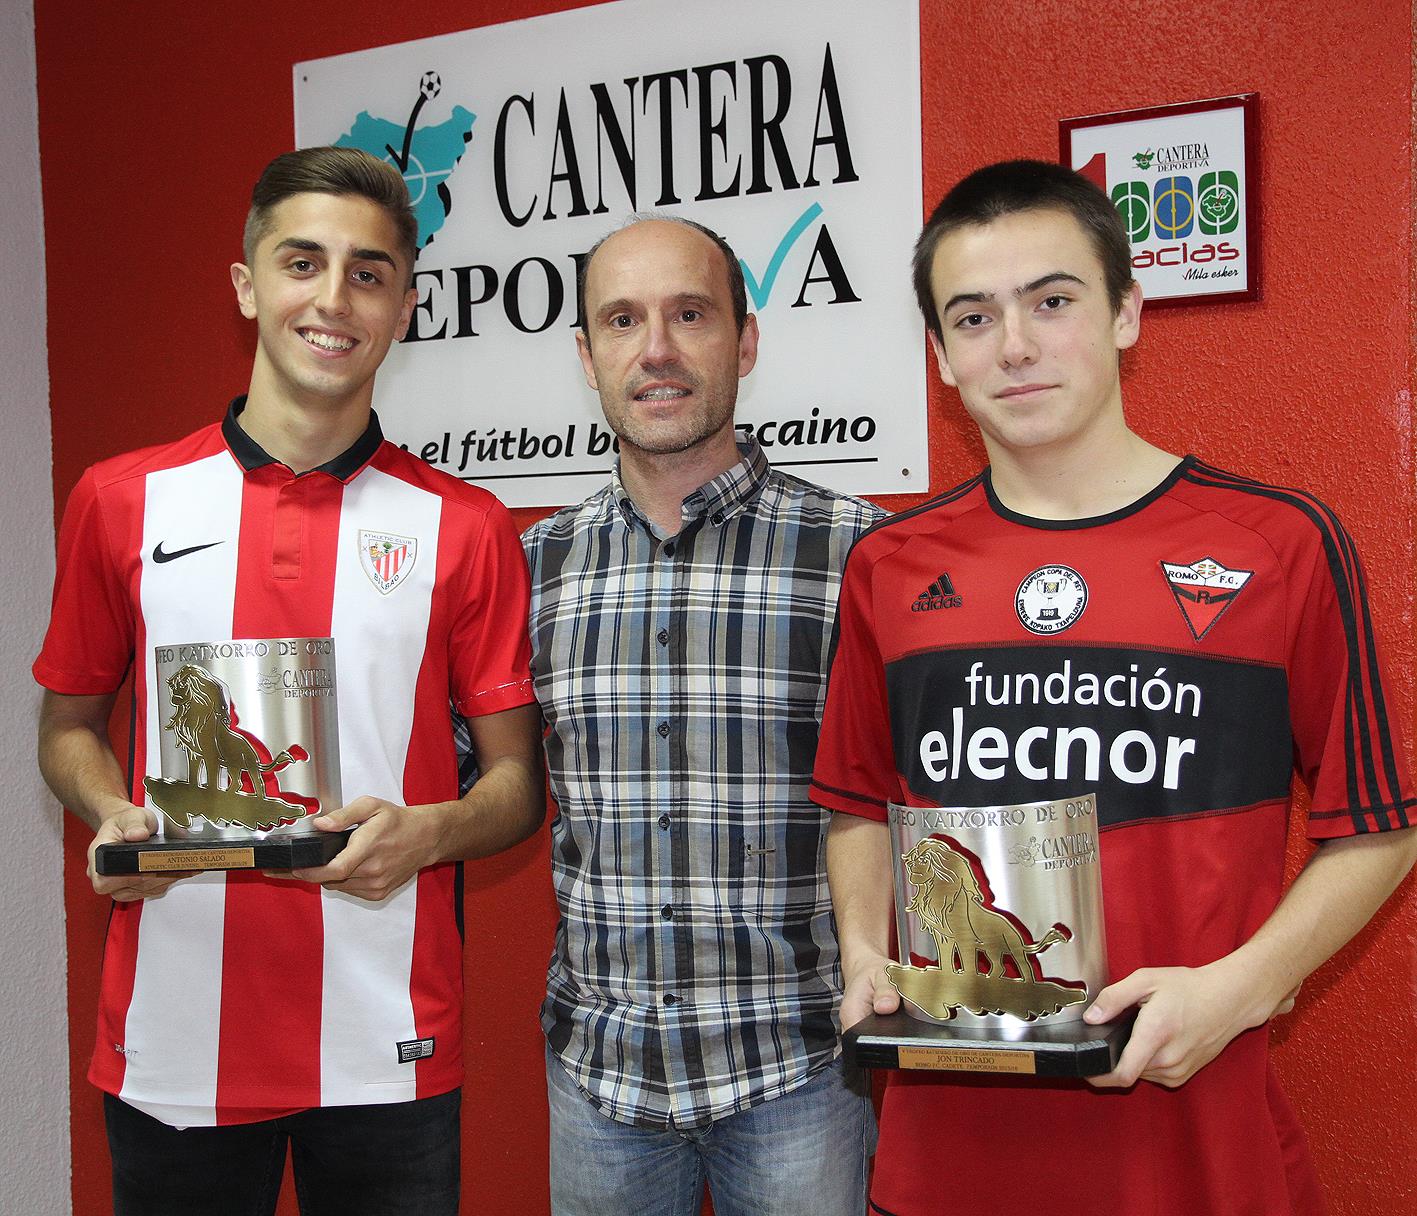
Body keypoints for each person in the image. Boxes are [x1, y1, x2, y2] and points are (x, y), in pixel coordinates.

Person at [812, 159, 1417, 1216]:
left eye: (1052, 301)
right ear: (938, 355)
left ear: (1127, 311)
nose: (1013, 345)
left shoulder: (1277, 544)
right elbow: (860, 806)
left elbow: (1379, 825)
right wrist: (865, 950)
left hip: (1191, 1152)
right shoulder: (890, 566)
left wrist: (1236, 990)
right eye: (972, 316)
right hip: (946, 1154)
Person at [34, 146, 544, 1216]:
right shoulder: (120, 500)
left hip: (387, 1040)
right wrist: (110, 811)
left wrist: (430, 832)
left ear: (403, 305)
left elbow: (514, 788)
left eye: (367, 273)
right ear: (246, 283)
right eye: (301, 260)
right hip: (176, 1038)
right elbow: (68, 726)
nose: (332, 296)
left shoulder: (466, 525)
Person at [522, 215, 882, 1216]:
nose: (658, 351)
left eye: (691, 314)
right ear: (586, 357)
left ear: (746, 339)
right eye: (623, 321)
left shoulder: (863, 556)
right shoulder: (534, 567)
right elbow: (463, 773)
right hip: (601, 1077)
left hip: (800, 1068)